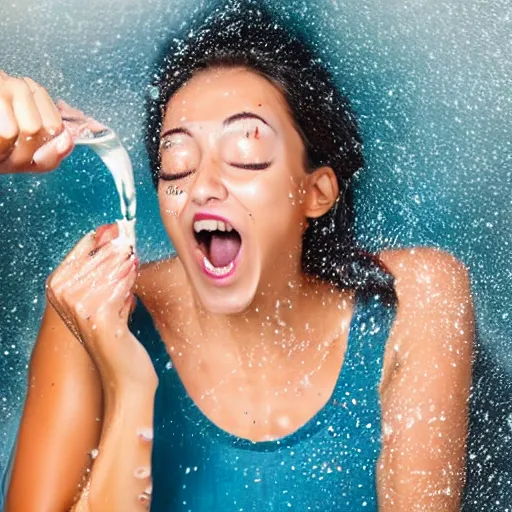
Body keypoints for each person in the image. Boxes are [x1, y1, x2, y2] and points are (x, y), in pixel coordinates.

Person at [2, 1, 474, 510]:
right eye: (177, 162)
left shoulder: (419, 296)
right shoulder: (90, 304)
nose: (204, 186)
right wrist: (130, 388)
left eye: (246, 155)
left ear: (316, 191)